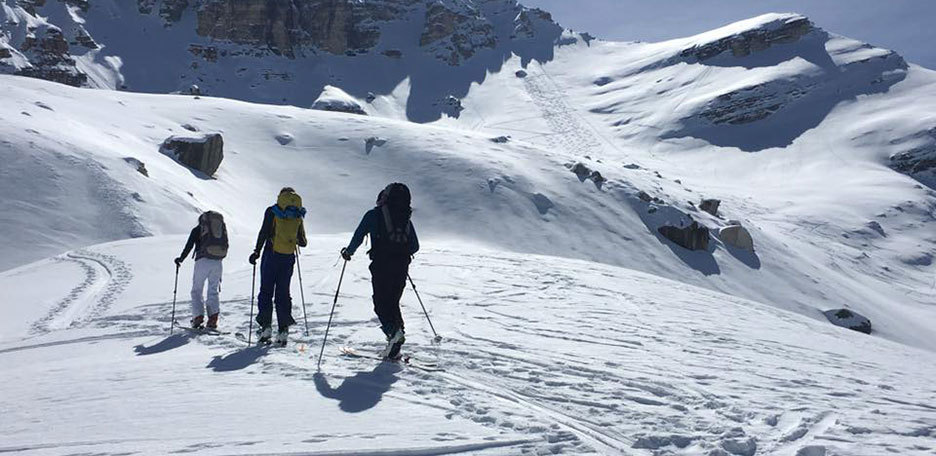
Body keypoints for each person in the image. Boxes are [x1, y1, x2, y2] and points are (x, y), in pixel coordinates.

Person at [341, 183, 419, 359]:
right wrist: (400, 252)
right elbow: (415, 246)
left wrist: (348, 252)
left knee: (380, 303)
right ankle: (397, 338)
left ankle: (394, 334)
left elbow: (359, 235)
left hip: (381, 264)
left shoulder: (373, 215)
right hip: (401, 266)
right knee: (393, 302)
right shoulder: (405, 219)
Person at [249, 187, 307, 346]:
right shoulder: (298, 214)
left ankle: (266, 327)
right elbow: (303, 242)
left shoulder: (273, 211)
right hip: (288, 258)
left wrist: (256, 251)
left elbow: (263, 232)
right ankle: (283, 330)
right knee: (283, 293)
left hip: (271, 255)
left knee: (266, 291)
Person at [175, 211, 229, 330]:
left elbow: (189, 246)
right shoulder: (220, 230)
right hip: (218, 262)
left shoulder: (198, 229)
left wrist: (181, 259)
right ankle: (213, 319)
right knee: (213, 290)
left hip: (202, 261)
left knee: (197, 290)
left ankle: (198, 317)